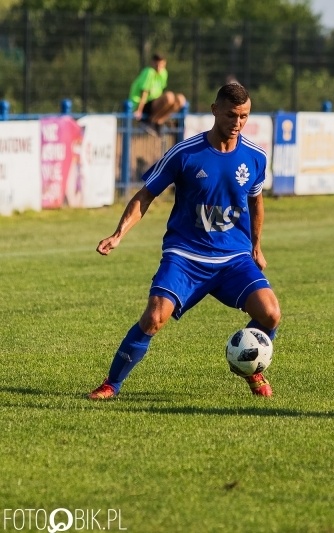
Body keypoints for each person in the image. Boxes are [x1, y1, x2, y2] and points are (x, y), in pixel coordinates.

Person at [88, 82, 280, 400]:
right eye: (232, 115)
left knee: (270, 313)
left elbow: (256, 202)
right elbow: (146, 194)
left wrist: (256, 246)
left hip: (234, 258)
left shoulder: (255, 157)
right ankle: (112, 384)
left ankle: (251, 367)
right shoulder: (186, 153)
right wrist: (119, 233)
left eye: (244, 116)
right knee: (153, 318)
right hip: (186, 256)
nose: (238, 123)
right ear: (215, 110)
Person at [128, 53, 187, 136]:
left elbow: (159, 92)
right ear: (152, 63)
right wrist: (139, 110)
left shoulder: (164, 73)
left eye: (161, 65)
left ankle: (159, 121)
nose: (159, 67)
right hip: (144, 104)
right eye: (157, 65)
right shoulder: (149, 72)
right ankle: (150, 121)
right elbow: (144, 92)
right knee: (169, 96)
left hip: (154, 103)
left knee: (181, 99)